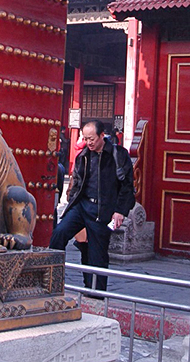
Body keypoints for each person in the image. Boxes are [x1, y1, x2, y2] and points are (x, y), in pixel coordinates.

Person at [49, 120, 135, 292]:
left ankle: (95, 294)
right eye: (85, 138)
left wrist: (120, 211)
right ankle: (52, 279)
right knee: (59, 234)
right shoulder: (84, 156)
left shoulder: (118, 155)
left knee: (97, 255)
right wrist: (70, 207)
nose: (89, 142)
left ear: (102, 135)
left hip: (103, 211)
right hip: (82, 207)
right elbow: (77, 184)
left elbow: (127, 186)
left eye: (92, 138)